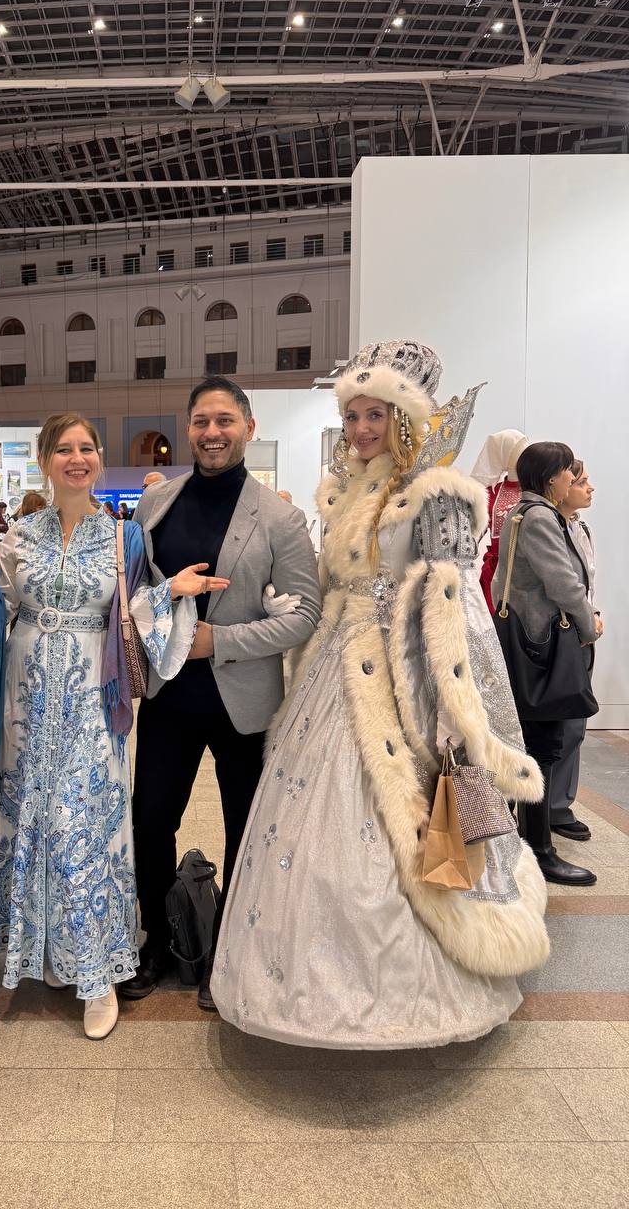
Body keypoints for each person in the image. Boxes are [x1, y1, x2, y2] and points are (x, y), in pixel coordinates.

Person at [211, 340, 550, 1049]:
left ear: (404, 416)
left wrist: (458, 716)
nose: (362, 428)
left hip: (406, 680)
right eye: (353, 415)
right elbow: (338, 585)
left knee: (411, 827)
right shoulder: (348, 491)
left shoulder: (439, 495)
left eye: (375, 414)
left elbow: (457, 614)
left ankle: (420, 987)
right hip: (334, 676)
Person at [0, 413, 216, 1040]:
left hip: (92, 696)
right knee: (26, 815)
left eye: (86, 448)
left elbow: (134, 613)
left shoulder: (122, 538)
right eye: (64, 449)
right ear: (44, 460)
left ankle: (97, 973)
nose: (77, 458)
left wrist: (171, 592)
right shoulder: (18, 538)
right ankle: (33, 954)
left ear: (99, 459)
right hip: (26, 697)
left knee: (84, 820)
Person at [122, 376, 321, 1011]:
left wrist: (220, 641)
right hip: (168, 698)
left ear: (249, 428)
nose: (213, 433)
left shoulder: (281, 518)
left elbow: (305, 614)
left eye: (225, 421)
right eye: (202, 421)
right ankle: (158, 943)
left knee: (245, 827)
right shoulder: (155, 506)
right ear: (188, 429)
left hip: (243, 704)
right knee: (152, 821)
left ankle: (231, 953)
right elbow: (138, 596)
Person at [493, 442, 600, 886]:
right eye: (567, 472)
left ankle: (520, 844)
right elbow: (564, 584)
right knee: (542, 745)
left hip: (530, 644)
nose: (572, 479)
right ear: (551, 477)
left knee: (530, 743)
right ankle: (539, 851)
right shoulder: (538, 517)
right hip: (541, 648)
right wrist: (589, 626)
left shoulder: (525, 513)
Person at [550, 460, 600, 841]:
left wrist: (593, 617)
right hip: (563, 637)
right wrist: (585, 623)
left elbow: (585, 586)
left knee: (575, 726)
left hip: (582, 635)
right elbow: (562, 588)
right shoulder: (548, 528)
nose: (588, 487)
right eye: (580, 481)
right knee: (558, 727)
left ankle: (559, 803)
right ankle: (551, 807)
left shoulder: (581, 529)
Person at [470, 430, 529, 613]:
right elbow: (473, 535)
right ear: (504, 454)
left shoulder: (535, 490)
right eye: (518, 449)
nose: (525, 453)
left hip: (527, 571)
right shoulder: (490, 494)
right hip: (496, 572)